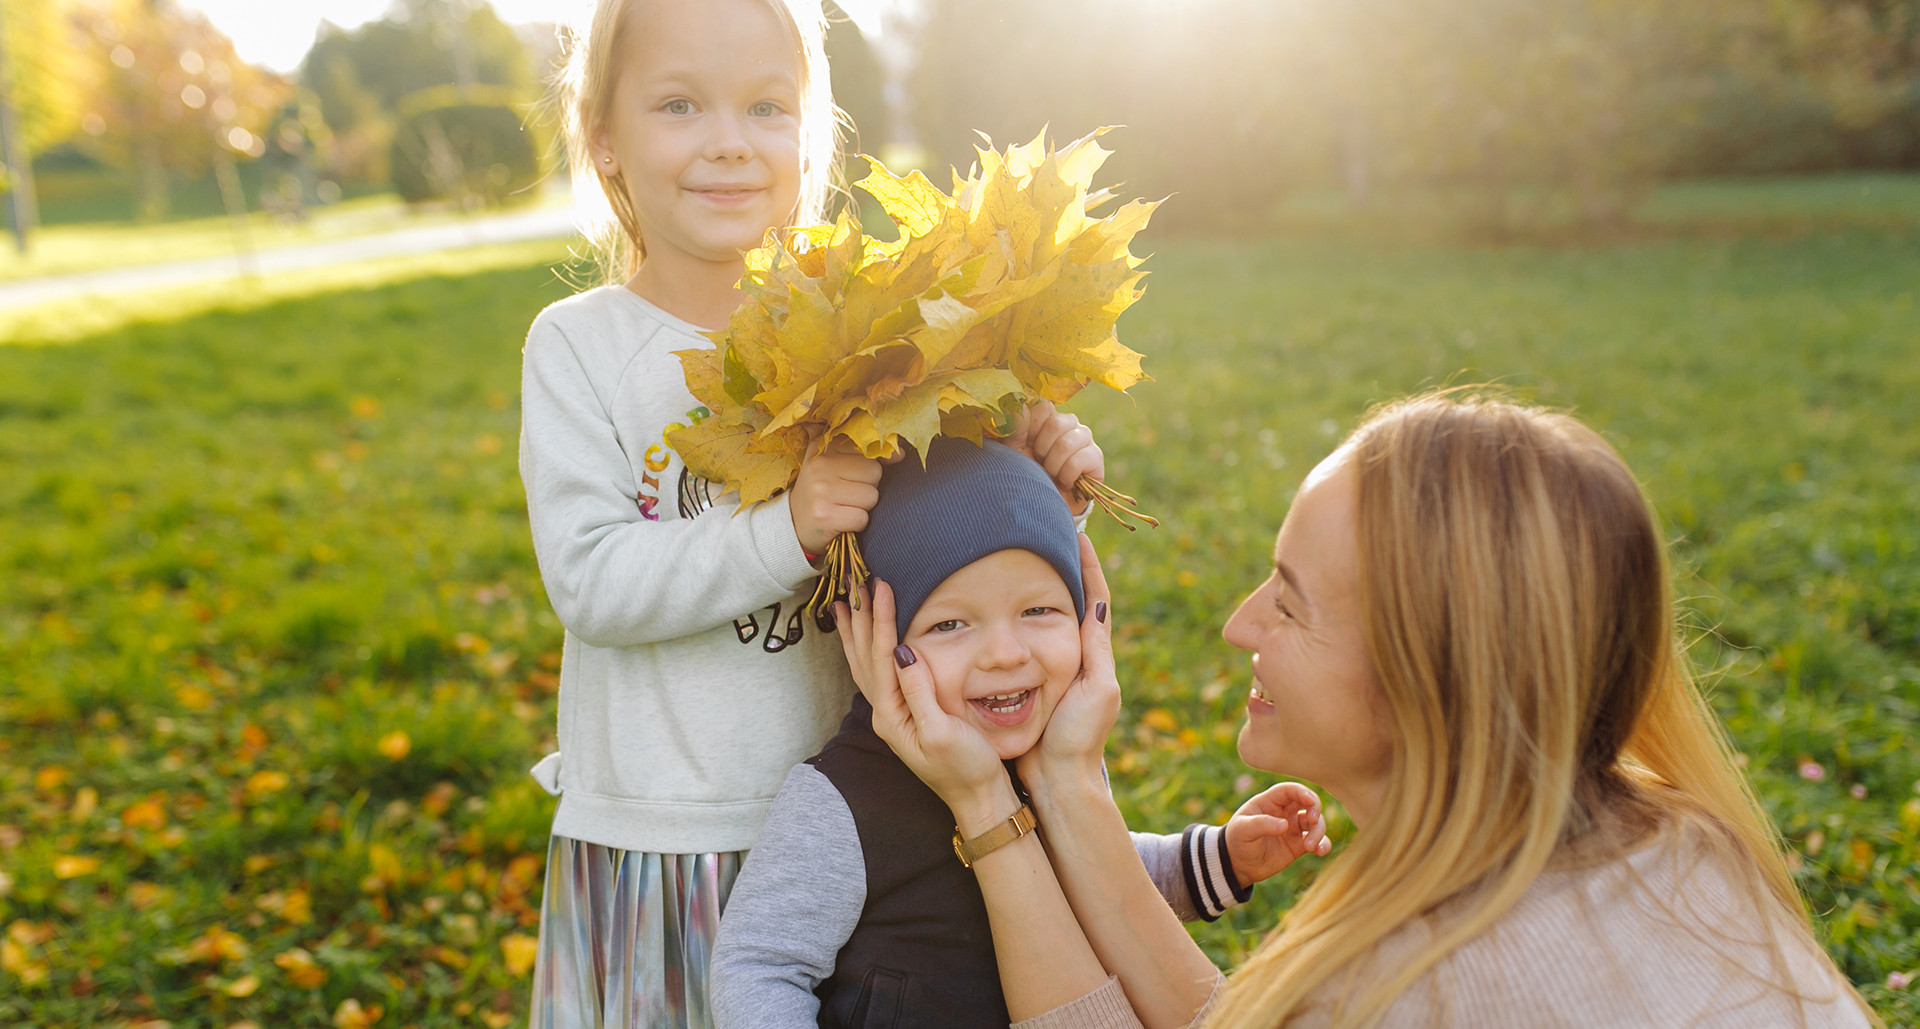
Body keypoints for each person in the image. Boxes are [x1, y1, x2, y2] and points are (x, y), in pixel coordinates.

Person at [842, 393, 1878, 1028]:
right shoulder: (1680, 845)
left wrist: (987, 807)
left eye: (1291, 602)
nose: (1240, 625)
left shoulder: (1418, 987)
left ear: (1431, 671)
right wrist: (1064, 782)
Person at [520, 1, 1107, 1023]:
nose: (728, 143)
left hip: (859, 825)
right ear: (604, 137)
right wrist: (782, 532)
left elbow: (940, 565)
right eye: (678, 105)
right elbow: (592, 581)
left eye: (765, 107)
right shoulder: (581, 346)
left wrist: (1037, 494)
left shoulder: (866, 334)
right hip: (672, 832)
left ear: (810, 130)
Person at [708, 438, 1330, 1028]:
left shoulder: (1056, 749)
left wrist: (1216, 859)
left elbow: (1095, 878)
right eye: (950, 624)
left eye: (1039, 611)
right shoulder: (843, 798)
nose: (1005, 654)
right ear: (879, 642)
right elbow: (761, 964)